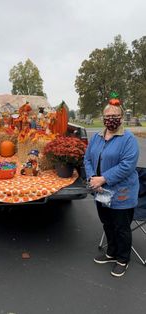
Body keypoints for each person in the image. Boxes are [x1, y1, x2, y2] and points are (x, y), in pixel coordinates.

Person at [84, 94, 139, 277]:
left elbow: (127, 165)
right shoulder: (98, 136)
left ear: (121, 118)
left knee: (121, 227)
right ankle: (112, 252)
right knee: (107, 222)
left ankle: (123, 259)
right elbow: (87, 158)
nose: (111, 119)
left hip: (121, 191)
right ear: (103, 117)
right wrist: (93, 177)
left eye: (115, 116)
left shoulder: (128, 139)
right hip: (100, 191)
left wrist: (103, 178)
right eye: (108, 116)